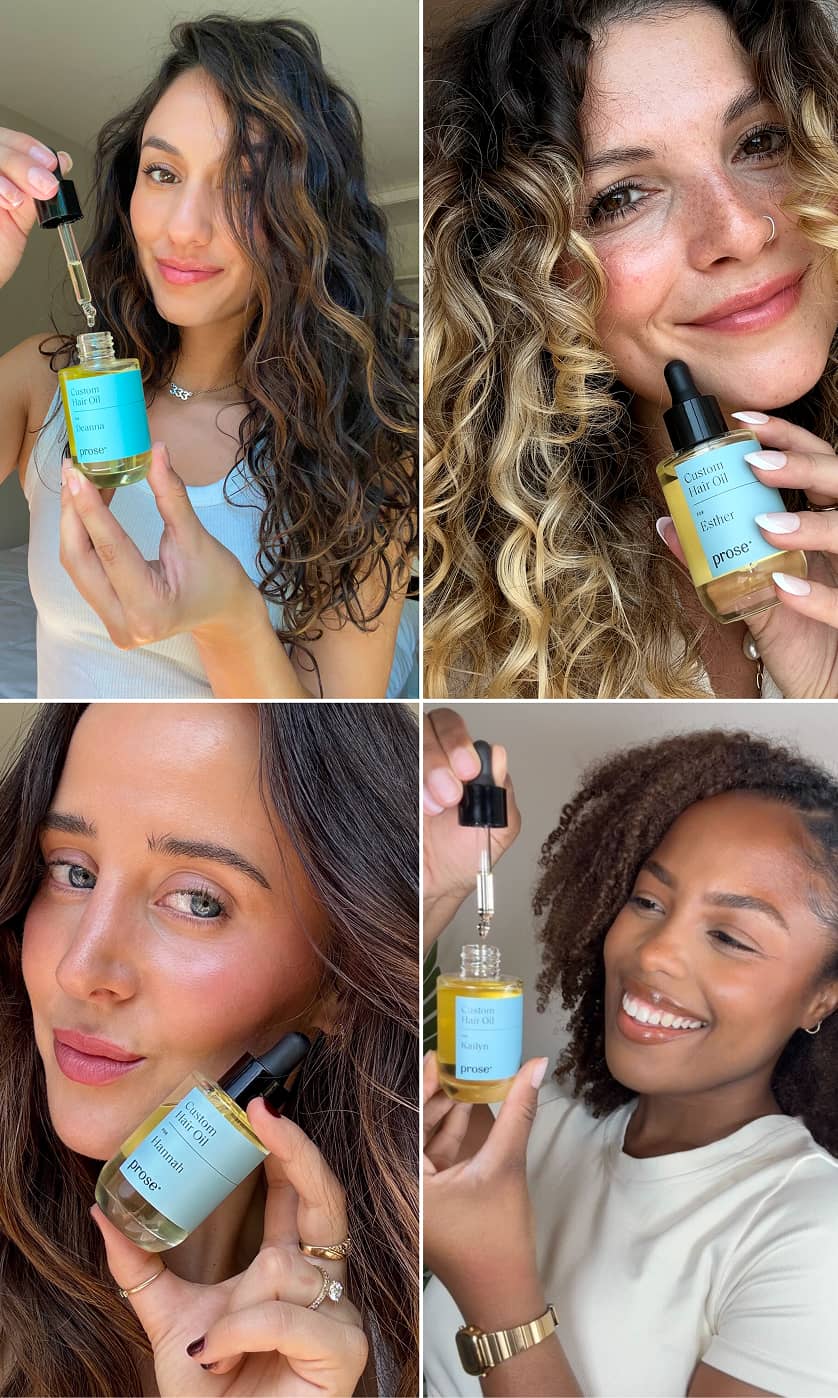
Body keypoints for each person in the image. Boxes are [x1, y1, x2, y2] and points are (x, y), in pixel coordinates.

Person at [0, 702, 419, 1397]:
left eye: (196, 901)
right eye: (72, 872)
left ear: (340, 982)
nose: (81, 968)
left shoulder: (397, 1343)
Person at [424, 0, 838, 698]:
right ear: (529, 276)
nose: (737, 230)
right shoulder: (472, 648)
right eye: (620, 198)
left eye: (761, 141)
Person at [0, 12, 418, 699]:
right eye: (162, 172)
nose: (183, 229)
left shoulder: (370, 443)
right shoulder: (43, 381)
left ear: (308, 220)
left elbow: (327, 752)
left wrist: (229, 619)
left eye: (246, 184)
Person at [422, 707, 838, 1396]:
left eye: (730, 937)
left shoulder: (811, 1233)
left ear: (822, 997)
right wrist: (438, 881)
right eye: (648, 901)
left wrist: (495, 1285)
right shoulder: (553, 1118)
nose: (655, 953)